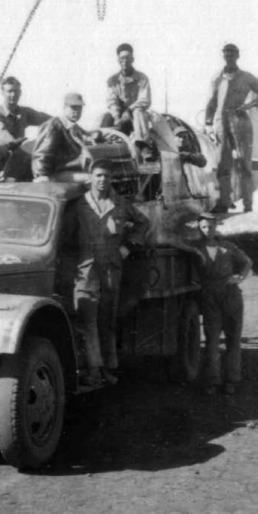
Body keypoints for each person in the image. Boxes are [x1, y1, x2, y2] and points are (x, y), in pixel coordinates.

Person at [72, 161, 148, 386]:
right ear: (91, 177)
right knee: (87, 318)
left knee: (107, 319)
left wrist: (128, 246)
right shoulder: (78, 205)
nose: (102, 180)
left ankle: (108, 367)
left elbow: (143, 223)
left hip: (111, 268)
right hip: (85, 269)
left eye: (106, 176)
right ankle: (93, 368)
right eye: (98, 175)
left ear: (111, 178)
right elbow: (65, 235)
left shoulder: (121, 204)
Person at [204, 43, 258, 213]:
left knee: (244, 164)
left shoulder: (247, 77)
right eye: (226, 54)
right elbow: (212, 102)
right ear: (223, 56)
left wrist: (250, 105)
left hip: (240, 123)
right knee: (222, 164)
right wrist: (208, 123)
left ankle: (248, 205)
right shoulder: (217, 78)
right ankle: (224, 202)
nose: (229, 57)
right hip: (221, 123)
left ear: (237, 56)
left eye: (232, 54)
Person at [195, 210, 252, 396]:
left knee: (233, 340)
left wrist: (239, 278)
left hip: (231, 296)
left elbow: (247, 262)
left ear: (216, 226)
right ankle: (213, 381)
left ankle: (231, 381)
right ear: (199, 227)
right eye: (203, 226)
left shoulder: (227, 247)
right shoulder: (196, 249)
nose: (207, 229)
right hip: (210, 297)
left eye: (210, 226)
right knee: (212, 341)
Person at [0, 76, 50, 181]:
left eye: (16, 91)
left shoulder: (24, 112)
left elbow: (50, 120)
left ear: (20, 92)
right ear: (3, 93)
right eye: (9, 91)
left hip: (16, 161)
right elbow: (8, 141)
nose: (13, 95)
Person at [31, 92, 102, 182]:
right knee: (96, 180)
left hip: (73, 171)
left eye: (79, 108)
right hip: (57, 173)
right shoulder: (54, 125)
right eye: (73, 107)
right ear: (64, 107)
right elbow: (42, 152)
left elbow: (88, 139)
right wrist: (41, 175)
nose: (76, 111)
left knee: (103, 176)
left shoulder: (75, 127)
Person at [101, 43, 152, 140]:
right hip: (120, 116)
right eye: (122, 58)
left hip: (137, 116)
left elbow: (144, 100)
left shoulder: (142, 78)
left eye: (127, 58)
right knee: (105, 117)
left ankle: (143, 146)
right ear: (118, 60)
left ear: (132, 59)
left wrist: (129, 110)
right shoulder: (113, 80)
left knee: (138, 113)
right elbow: (112, 101)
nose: (124, 61)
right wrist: (116, 117)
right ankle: (102, 143)